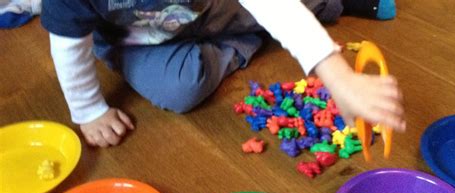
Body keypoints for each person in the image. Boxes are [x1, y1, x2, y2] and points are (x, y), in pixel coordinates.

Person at [41, 0, 405, 147]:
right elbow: (68, 44)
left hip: (211, 9)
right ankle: (251, 35)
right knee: (179, 89)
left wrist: (336, 75)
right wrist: (88, 110)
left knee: (278, 8)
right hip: (139, 42)